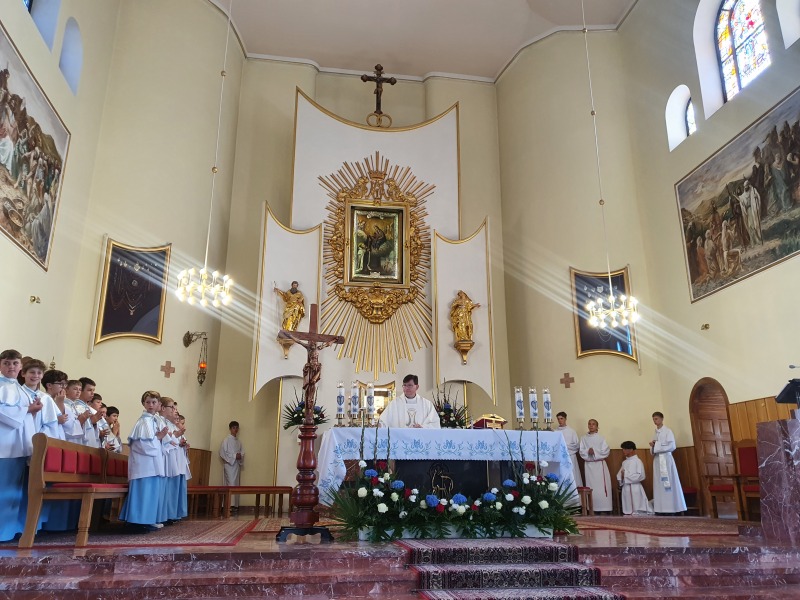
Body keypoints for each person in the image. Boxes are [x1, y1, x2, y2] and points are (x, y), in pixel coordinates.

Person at [0, 349, 42, 541]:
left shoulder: (21, 389)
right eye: (7, 363)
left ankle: (9, 530)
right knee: (3, 489)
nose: (11, 367)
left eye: (15, 363)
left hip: (20, 446)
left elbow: (28, 416)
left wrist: (30, 410)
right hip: (4, 446)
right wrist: (27, 409)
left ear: (20, 366)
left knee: (14, 491)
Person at [119, 391, 169, 531]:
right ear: (143, 404)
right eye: (148, 402)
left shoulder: (155, 420)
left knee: (152, 492)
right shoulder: (143, 422)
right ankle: (138, 521)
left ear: (159, 404)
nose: (151, 405)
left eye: (154, 402)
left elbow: (162, 443)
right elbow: (142, 445)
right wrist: (158, 438)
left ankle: (149, 519)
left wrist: (161, 438)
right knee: (143, 492)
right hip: (144, 465)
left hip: (153, 463)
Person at [650, 411, 686, 515]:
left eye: (656, 419)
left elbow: (672, 446)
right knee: (659, 483)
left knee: (667, 483)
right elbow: (654, 447)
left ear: (662, 419)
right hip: (657, 460)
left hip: (665, 459)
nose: (654, 421)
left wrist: (657, 445)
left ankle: (671, 508)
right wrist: (653, 446)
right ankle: (661, 508)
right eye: (653, 419)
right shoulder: (655, 433)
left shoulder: (667, 431)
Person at [579, 419, 612, 513]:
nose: (591, 426)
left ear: (597, 426)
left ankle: (605, 508)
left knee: (601, 487)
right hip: (589, 466)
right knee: (591, 486)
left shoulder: (601, 438)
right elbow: (581, 451)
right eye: (589, 424)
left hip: (599, 465)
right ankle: (593, 508)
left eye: (593, 424)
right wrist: (587, 451)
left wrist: (595, 452)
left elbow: (606, 451)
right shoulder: (583, 438)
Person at [617, 441, 650, 515]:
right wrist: (622, 476)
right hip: (626, 487)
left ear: (631, 449)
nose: (623, 451)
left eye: (625, 449)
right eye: (623, 449)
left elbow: (641, 475)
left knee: (638, 508)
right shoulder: (624, 462)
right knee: (628, 509)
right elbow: (619, 475)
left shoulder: (637, 461)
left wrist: (625, 475)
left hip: (635, 486)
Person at [219, 420, 244, 511]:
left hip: (236, 466)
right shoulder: (226, 440)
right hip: (229, 465)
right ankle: (228, 505)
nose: (235, 429)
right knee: (230, 484)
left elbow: (242, 453)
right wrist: (234, 456)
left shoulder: (239, 442)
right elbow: (222, 453)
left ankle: (235, 506)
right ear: (230, 429)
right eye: (233, 428)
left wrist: (240, 456)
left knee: (236, 485)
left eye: (237, 428)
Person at [556, 411, 583, 493]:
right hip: (560, 458)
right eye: (558, 419)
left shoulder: (571, 431)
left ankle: (573, 494)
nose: (560, 420)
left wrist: (565, 446)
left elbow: (576, 445)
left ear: (565, 419)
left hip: (570, 457)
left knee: (572, 476)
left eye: (561, 418)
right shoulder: (555, 432)